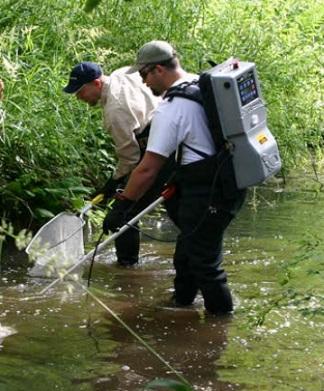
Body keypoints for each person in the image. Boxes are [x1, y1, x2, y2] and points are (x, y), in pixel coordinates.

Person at [102, 41, 246, 314]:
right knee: (186, 253)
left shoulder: (171, 108)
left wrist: (122, 205)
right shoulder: (197, 83)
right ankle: (182, 306)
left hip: (208, 193)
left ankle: (220, 327)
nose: (143, 83)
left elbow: (147, 168)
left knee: (206, 265)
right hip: (226, 181)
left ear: (157, 70)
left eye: (144, 75)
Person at [63, 62, 175, 266]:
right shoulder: (121, 73)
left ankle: (128, 271)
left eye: (81, 91)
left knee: (124, 216)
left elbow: (131, 159)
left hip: (161, 150)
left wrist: (114, 183)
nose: (79, 98)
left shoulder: (115, 111)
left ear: (96, 83)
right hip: (170, 135)